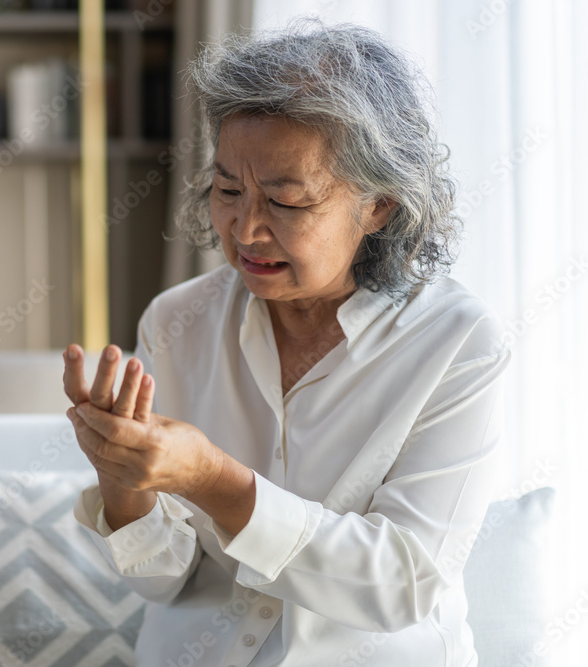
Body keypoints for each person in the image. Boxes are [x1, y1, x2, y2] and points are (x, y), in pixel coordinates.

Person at [62, 20, 510, 667]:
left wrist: (213, 479)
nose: (245, 228)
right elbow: (161, 580)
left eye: (286, 201)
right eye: (227, 190)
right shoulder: (177, 321)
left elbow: (403, 582)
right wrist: (122, 479)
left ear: (379, 204)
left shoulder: (458, 343)